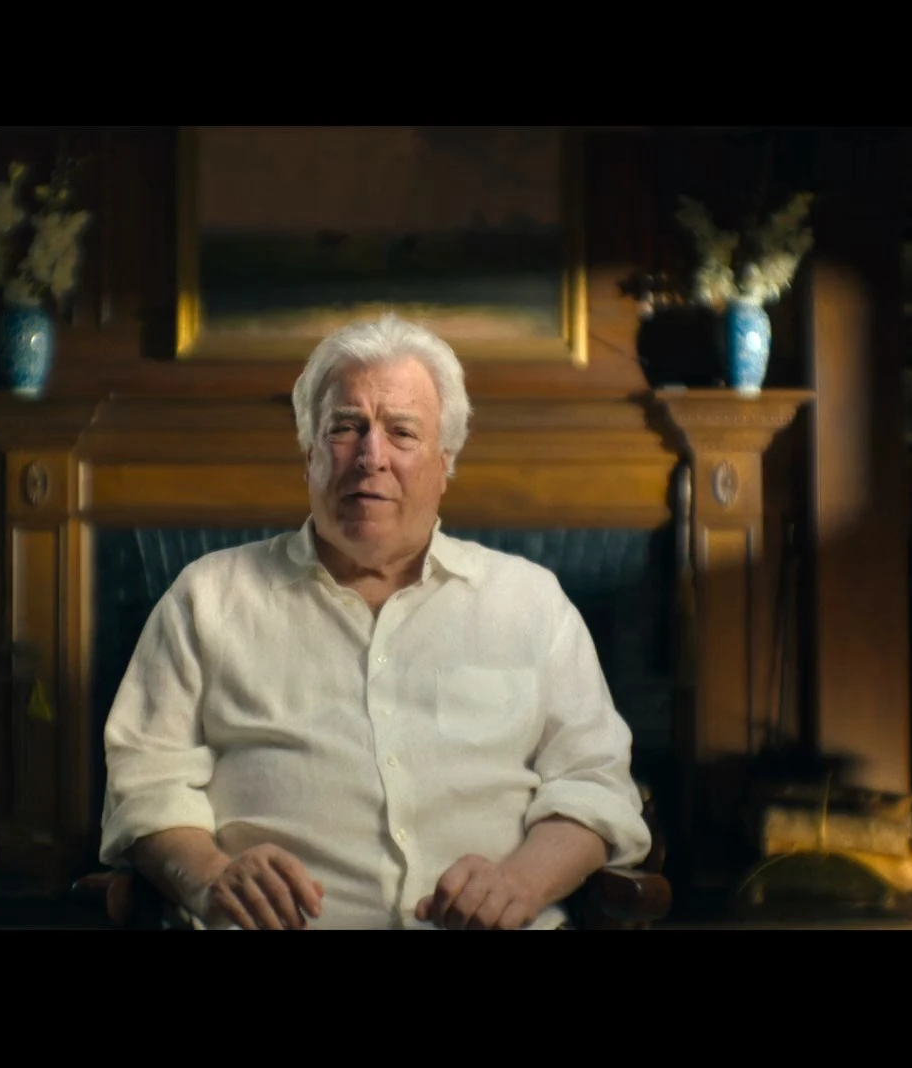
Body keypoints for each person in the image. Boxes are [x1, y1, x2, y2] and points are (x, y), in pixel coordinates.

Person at [97, 313, 651, 929]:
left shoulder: (531, 602)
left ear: (445, 463)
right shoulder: (205, 597)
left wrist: (521, 883)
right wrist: (208, 876)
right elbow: (144, 783)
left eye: (402, 432)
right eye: (345, 427)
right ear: (309, 454)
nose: (371, 457)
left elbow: (595, 784)